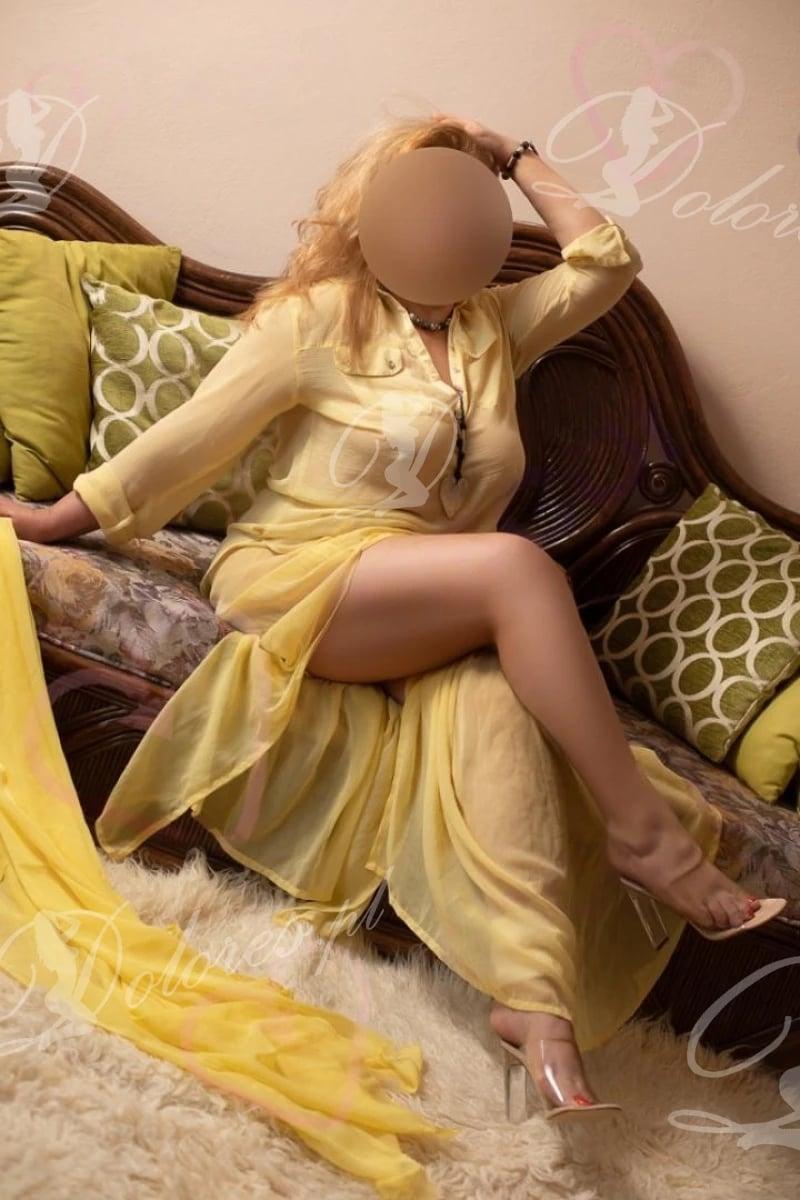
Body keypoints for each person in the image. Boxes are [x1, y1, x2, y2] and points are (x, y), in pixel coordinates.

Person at [0, 111, 785, 1126]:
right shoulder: (319, 319)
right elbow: (186, 444)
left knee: (498, 702)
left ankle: (534, 1004)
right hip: (303, 573)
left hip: (429, 599)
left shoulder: (497, 327)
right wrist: (56, 517)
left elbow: (607, 261)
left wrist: (512, 156)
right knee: (516, 569)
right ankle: (649, 838)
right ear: (374, 216)